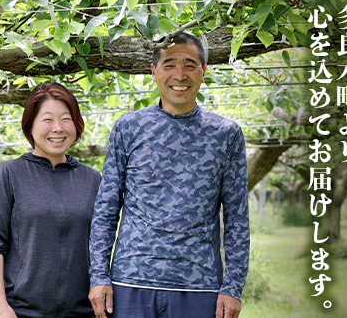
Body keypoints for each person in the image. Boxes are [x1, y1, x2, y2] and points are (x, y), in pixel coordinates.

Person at [88, 32, 250, 318]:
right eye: (169, 64)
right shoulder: (129, 128)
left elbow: (237, 216)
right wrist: (99, 276)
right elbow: (106, 208)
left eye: (190, 64)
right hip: (130, 282)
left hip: (199, 286)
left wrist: (233, 287)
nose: (180, 75)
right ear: (153, 72)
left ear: (204, 72)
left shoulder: (226, 134)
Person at [0, 82, 101, 317]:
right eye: (47, 120)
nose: (58, 128)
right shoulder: (9, 174)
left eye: (66, 118)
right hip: (23, 312)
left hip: (84, 312)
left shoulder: (92, 179)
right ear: (30, 126)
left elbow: (103, 244)